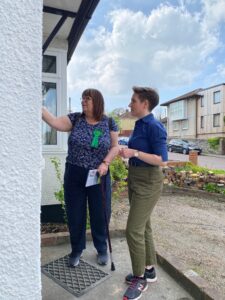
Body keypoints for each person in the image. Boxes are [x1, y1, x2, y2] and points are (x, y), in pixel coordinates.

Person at [42, 88, 119, 267]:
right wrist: (39, 108)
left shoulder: (109, 123)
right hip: (75, 174)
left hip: (99, 175)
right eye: (82, 99)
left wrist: (106, 163)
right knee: (75, 213)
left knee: (100, 214)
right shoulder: (75, 119)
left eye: (87, 99)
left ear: (97, 102)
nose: (83, 102)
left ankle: (101, 248)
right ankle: (76, 250)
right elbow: (54, 122)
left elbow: (115, 147)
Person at [119, 87, 168, 300]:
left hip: (149, 181)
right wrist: (129, 155)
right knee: (144, 226)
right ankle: (149, 270)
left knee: (133, 230)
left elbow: (161, 159)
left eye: (133, 101)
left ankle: (139, 280)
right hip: (136, 177)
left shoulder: (155, 126)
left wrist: (135, 152)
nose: (130, 104)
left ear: (145, 103)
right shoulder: (138, 124)